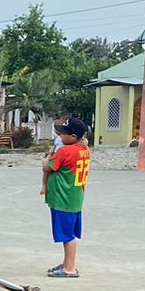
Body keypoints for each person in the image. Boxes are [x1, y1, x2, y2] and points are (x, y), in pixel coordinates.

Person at [42, 116, 91, 278]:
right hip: (75, 197)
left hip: (64, 198)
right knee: (68, 234)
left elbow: (47, 166)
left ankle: (69, 268)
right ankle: (67, 263)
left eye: (64, 134)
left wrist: (49, 155)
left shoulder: (65, 151)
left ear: (73, 136)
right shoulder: (84, 149)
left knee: (67, 235)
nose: (60, 136)